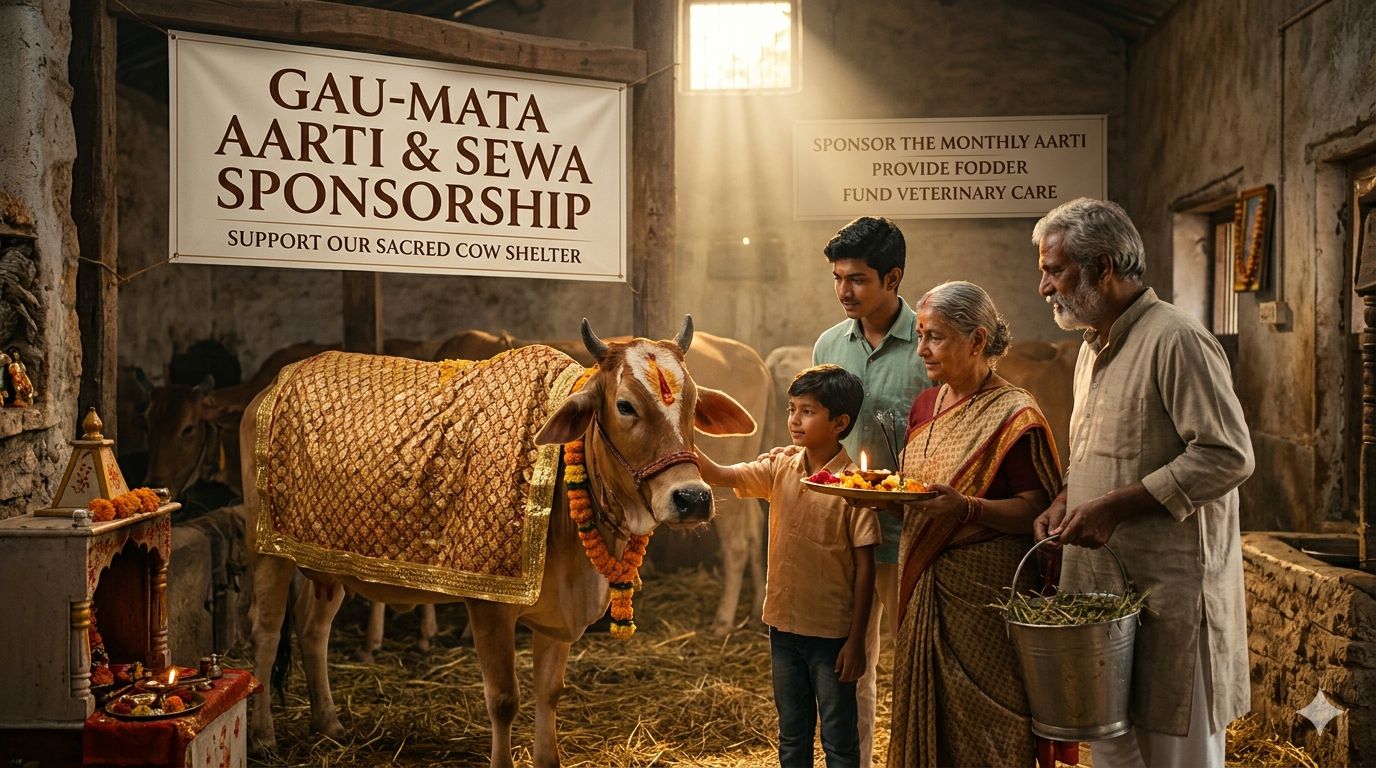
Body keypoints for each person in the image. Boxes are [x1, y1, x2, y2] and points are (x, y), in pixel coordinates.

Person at [1030, 198, 1254, 768]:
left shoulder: (1176, 338)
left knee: (1176, 756)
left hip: (1171, 600)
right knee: (1113, 755)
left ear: (1101, 267)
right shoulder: (1090, 349)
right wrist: (1064, 498)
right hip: (1104, 604)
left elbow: (1227, 454)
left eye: (1054, 270)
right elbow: (1094, 452)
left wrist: (1117, 506)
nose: (1043, 286)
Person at [881, 281, 1062, 768]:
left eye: (935, 337)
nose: (921, 350)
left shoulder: (1013, 413)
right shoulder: (924, 406)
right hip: (925, 583)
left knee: (991, 729)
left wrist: (968, 509)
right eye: (920, 335)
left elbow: (1037, 508)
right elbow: (921, 494)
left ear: (977, 340)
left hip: (986, 596)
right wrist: (887, 500)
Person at [696, 365, 880, 768]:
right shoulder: (781, 468)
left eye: (808, 411)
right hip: (782, 630)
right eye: (791, 409)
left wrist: (857, 642)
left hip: (832, 637)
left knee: (839, 741)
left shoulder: (855, 486)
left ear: (840, 423)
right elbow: (719, 474)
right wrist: (675, 434)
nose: (794, 421)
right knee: (792, 737)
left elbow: (866, 570)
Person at [810, 216, 931, 764]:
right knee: (846, 665)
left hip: (911, 535)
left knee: (914, 665)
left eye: (857, 279)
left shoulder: (931, 345)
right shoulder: (830, 345)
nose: (843, 291)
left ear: (893, 277)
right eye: (837, 278)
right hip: (844, 534)